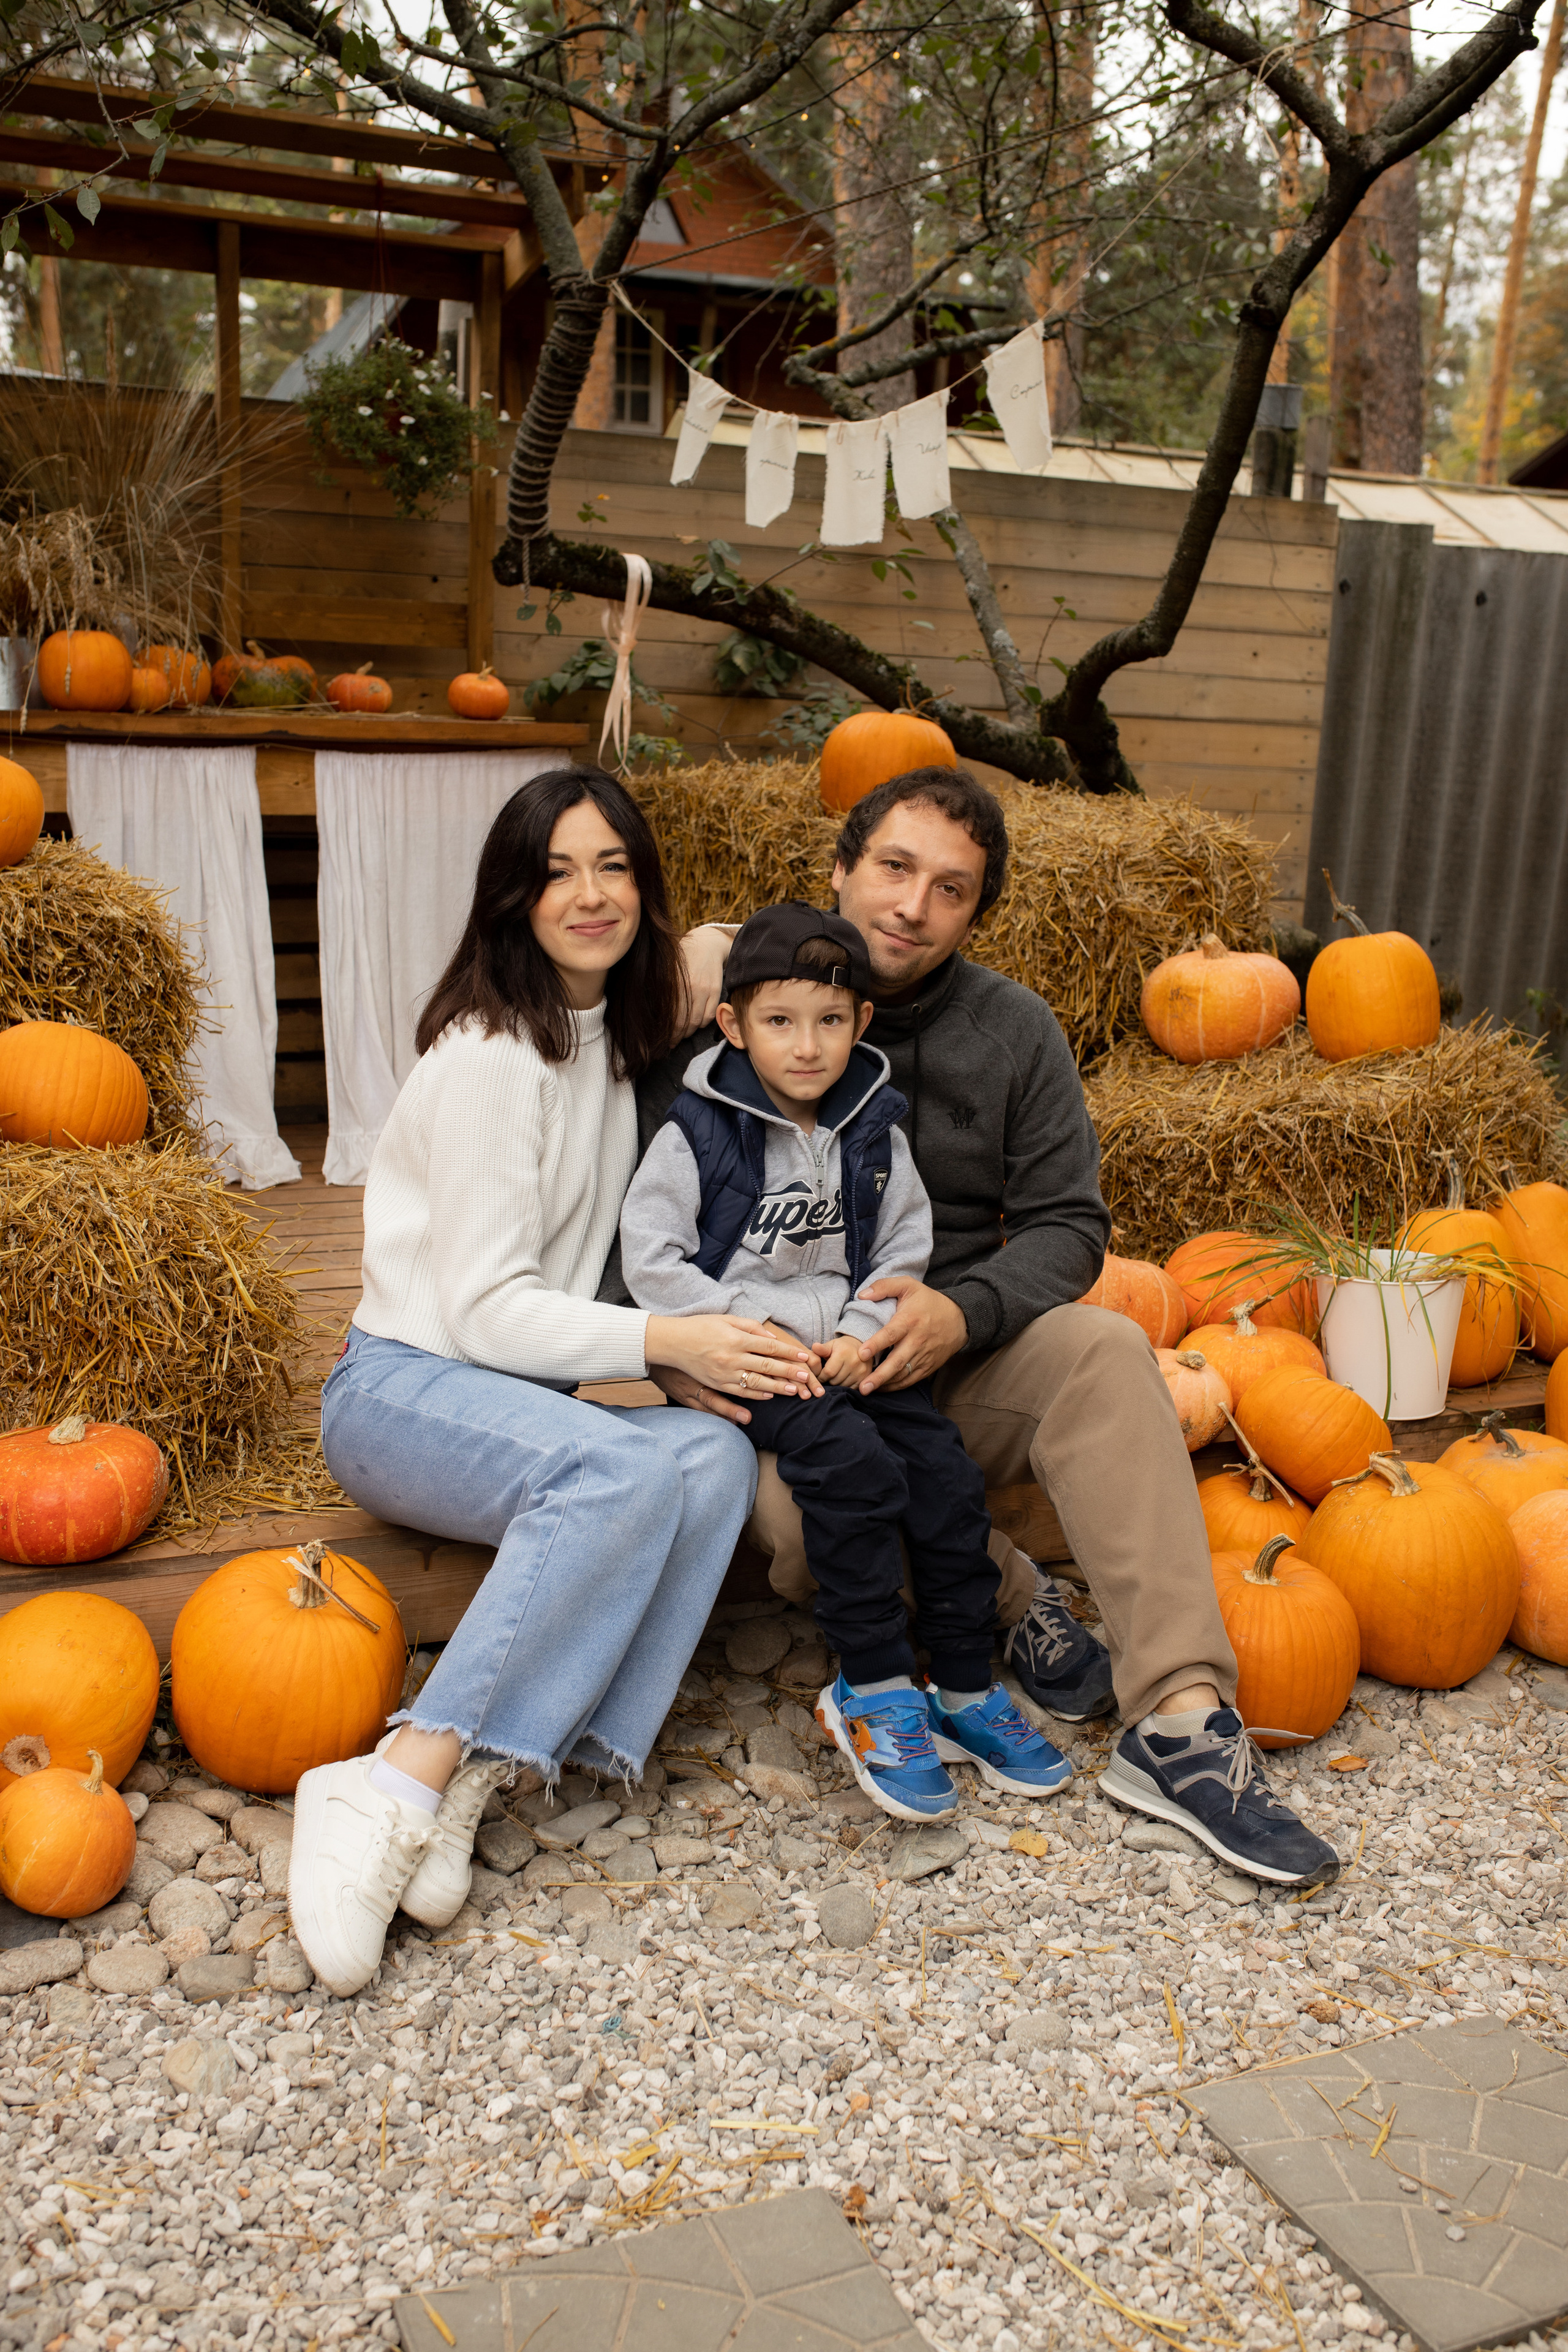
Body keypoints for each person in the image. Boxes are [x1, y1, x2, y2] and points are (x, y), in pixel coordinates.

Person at [652, 767, 1338, 1888]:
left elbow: (1072, 1226)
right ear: (840, 870)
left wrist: (962, 1311)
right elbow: (642, 1213)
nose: (913, 905)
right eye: (893, 868)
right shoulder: (739, 1010)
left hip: (954, 1353)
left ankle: (1179, 1722)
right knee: (792, 1519)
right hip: (785, 1368)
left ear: (978, 914)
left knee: (1113, 1350)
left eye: (952, 889)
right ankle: (1013, 1598)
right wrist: (680, 1356)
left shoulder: (1014, 1030)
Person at [292, 767, 821, 1998]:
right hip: (402, 1393)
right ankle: (392, 1782)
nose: (588, 895)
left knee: (703, 1457)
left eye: (614, 867)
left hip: (512, 1403)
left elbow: (736, 969)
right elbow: (477, 1307)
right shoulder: (490, 1056)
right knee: (614, 1462)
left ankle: (488, 1768)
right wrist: (667, 1348)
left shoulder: (607, 1045)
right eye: (556, 872)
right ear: (513, 899)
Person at [619, 900, 1072, 1823]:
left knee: (943, 1477)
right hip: (755, 1359)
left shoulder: (874, 1129)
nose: (807, 1046)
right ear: (733, 1023)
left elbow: (904, 1245)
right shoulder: (697, 1132)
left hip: (851, 1349)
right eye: (779, 1022)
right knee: (857, 1473)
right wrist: (734, 1331)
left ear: (862, 1023)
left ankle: (959, 1686)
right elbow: (652, 1259)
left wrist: (866, 1329)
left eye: (830, 1021)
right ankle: (871, 1686)